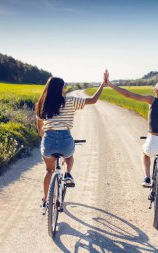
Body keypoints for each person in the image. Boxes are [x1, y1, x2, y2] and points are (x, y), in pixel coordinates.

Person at [36, 72, 108, 212]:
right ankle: (68, 173)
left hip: (49, 140)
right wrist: (102, 85)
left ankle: (46, 201)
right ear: (60, 89)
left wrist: (46, 139)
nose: (65, 89)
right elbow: (93, 100)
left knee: (49, 170)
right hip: (65, 139)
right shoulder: (70, 101)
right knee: (69, 156)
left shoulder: (42, 103)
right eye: (64, 87)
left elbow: (40, 129)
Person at [105, 73, 158, 202]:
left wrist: (110, 84)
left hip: (152, 141)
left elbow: (128, 94)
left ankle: (147, 177)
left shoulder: (152, 100)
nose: (153, 89)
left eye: (156, 87)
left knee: (145, 153)